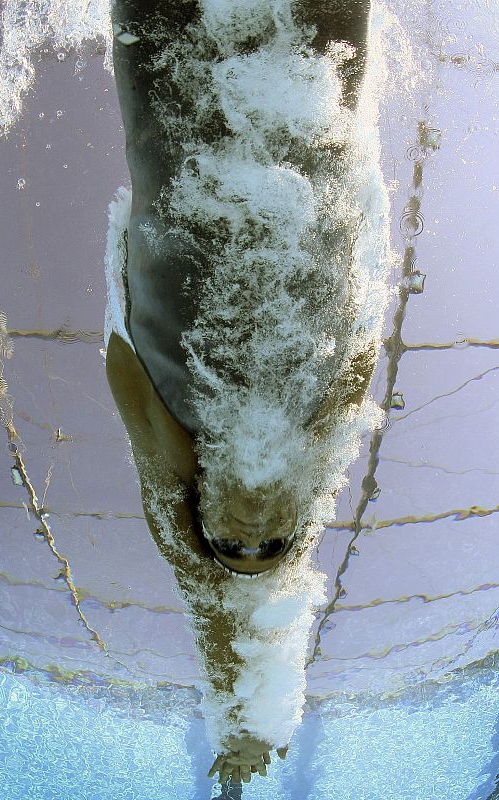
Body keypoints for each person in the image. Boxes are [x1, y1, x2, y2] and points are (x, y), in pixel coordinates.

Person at [106, 0, 385, 784]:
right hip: (304, 122)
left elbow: (209, 608)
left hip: (179, 151)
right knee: (325, 47)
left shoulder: (173, 422)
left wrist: (236, 722)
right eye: (276, 544)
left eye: (230, 545)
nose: (252, 528)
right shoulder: (318, 408)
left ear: (194, 514)